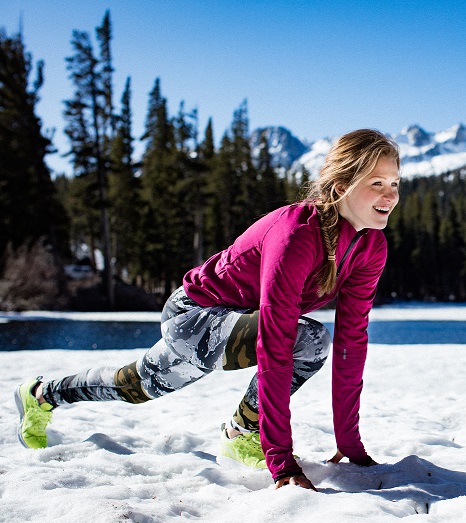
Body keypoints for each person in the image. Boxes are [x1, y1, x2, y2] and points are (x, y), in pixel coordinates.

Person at [14, 129, 401, 491]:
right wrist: (281, 462)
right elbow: (276, 339)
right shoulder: (298, 233)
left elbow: (353, 340)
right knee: (306, 339)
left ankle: (44, 395)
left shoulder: (371, 247)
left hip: (234, 325)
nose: (390, 196)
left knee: (139, 386)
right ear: (340, 188)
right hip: (195, 316)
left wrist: (351, 444)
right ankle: (43, 394)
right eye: (376, 184)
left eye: (395, 184)